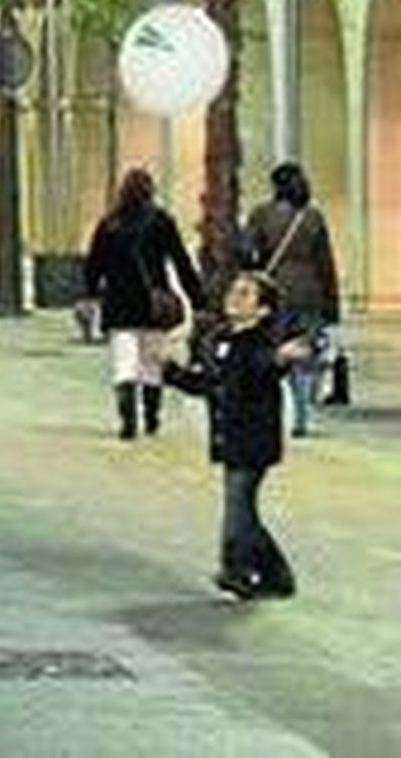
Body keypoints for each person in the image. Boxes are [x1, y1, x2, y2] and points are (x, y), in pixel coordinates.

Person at [163, 270, 312, 598]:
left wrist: (282, 357)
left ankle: (237, 570)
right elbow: (209, 384)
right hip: (228, 436)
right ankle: (276, 575)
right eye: (234, 290)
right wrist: (171, 373)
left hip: (254, 440)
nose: (234, 296)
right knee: (245, 510)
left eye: (246, 294)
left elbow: (263, 366)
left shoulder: (261, 342)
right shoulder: (221, 339)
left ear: (263, 310)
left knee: (238, 507)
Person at [84, 166, 203, 440]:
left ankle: (127, 417)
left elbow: (94, 264)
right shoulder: (161, 221)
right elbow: (181, 262)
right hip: (153, 306)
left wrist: (90, 294)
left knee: (124, 362)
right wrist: (197, 299)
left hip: (119, 305)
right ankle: (151, 417)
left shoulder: (109, 224)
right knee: (152, 363)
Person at [241, 161, 341, 437]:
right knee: (305, 350)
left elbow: (246, 252)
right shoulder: (313, 217)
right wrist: (332, 305)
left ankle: (288, 408)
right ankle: (302, 411)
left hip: (276, 292)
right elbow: (326, 263)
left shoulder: (261, 214)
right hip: (310, 292)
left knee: (278, 350)